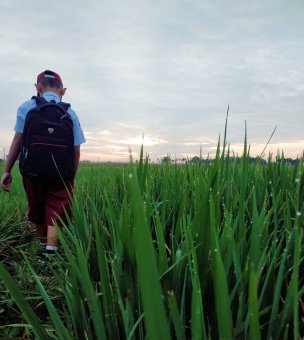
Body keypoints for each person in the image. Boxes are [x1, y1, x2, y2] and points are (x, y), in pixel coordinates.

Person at [0, 70, 86, 256]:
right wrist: (71, 177)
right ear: (63, 91)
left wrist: (7, 170)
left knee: (37, 207)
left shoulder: (26, 107)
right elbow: (76, 149)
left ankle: (42, 250)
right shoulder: (70, 113)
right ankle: (51, 254)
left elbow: (17, 141)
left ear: (38, 88)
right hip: (61, 173)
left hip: (32, 171)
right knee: (57, 209)